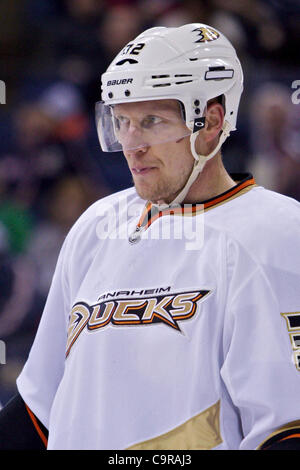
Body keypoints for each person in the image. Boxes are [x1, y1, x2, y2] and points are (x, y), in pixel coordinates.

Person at [1, 23, 300, 451]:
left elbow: (287, 428)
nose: (131, 144)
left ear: (212, 121)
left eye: (152, 121)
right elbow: (39, 409)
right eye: (121, 121)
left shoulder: (276, 232)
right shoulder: (97, 224)